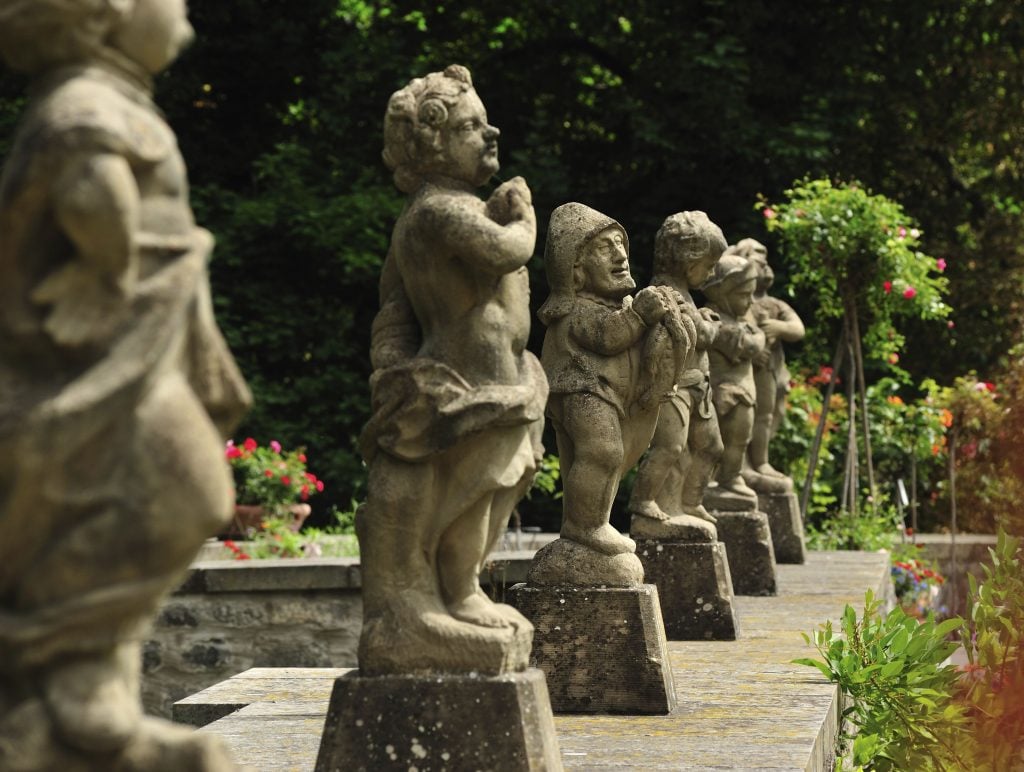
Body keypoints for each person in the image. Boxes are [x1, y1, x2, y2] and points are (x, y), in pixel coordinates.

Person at [0, 0, 248, 765]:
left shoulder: (106, 101)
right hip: (98, 356)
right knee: (186, 493)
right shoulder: (86, 106)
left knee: (182, 494)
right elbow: (89, 186)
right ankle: (62, 675)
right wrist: (110, 262)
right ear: (104, 18)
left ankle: (79, 683)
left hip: (127, 348)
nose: (185, 16)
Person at [357, 65, 548, 674]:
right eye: (472, 126)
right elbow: (507, 251)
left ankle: (460, 592)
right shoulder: (437, 211)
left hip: (505, 389)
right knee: (467, 496)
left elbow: (393, 310)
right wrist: (523, 215)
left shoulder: (460, 207)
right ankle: (450, 595)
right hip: (463, 390)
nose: (490, 133)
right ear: (434, 143)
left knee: (491, 494)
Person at [539, 203, 694, 557]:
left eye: (620, 244)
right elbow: (607, 337)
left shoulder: (615, 306)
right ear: (575, 269)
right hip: (581, 389)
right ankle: (583, 526)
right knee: (601, 452)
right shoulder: (576, 311)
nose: (620, 254)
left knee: (611, 456)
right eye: (604, 247)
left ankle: (594, 522)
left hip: (606, 395)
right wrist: (640, 314)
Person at [628, 212, 727, 528]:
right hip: (674, 388)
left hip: (700, 388)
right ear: (688, 261)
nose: (711, 274)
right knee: (669, 447)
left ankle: (689, 501)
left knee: (712, 447)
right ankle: (645, 502)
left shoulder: (686, 296)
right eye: (708, 265)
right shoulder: (665, 294)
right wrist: (708, 325)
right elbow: (701, 335)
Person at [726, 238, 805, 488]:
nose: (763, 261)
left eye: (764, 255)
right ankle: (746, 466)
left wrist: (778, 327)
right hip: (743, 370)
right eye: (756, 255)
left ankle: (760, 461)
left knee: (769, 415)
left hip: (771, 368)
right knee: (748, 416)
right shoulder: (735, 301)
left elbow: (798, 329)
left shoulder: (774, 304)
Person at [701, 253, 765, 508]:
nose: (750, 301)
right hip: (729, 396)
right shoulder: (718, 323)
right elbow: (750, 346)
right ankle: (723, 480)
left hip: (742, 393)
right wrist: (759, 335)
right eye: (743, 295)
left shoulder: (736, 320)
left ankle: (731, 477)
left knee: (740, 440)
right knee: (726, 443)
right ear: (721, 295)